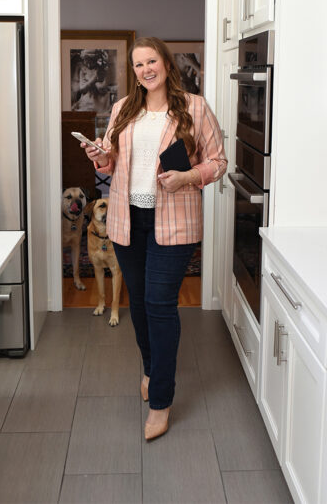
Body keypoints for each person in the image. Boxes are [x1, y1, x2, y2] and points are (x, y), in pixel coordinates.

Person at [81, 36, 226, 441]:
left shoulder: (194, 107)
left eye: (151, 61)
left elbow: (218, 162)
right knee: (141, 305)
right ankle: (149, 367)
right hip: (128, 222)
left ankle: (160, 401)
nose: (146, 69)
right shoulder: (122, 109)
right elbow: (111, 165)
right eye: (138, 64)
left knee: (161, 305)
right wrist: (100, 157)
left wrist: (188, 177)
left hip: (174, 222)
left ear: (165, 63)